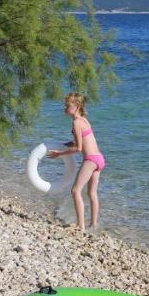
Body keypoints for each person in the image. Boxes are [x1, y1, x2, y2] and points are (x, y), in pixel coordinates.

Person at [47, 92, 103, 230]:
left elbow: (78, 147)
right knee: (92, 193)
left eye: (68, 105)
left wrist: (59, 153)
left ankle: (80, 226)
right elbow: (79, 141)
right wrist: (63, 144)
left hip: (90, 160)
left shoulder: (76, 122)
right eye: (65, 105)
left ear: (76, 106)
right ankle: (94, 224)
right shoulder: (84, 120)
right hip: (99, 159)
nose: (64, 107)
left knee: (75, 191)